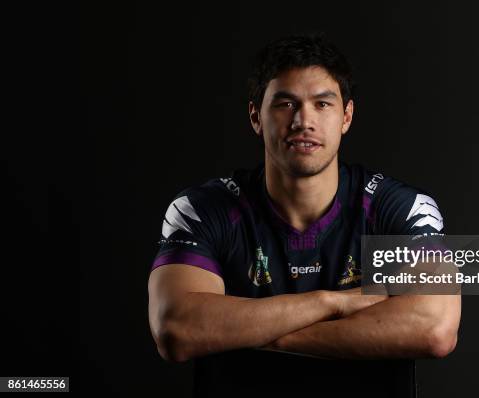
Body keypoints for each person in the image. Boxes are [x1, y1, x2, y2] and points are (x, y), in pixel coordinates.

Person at [148, 34, 460, 363]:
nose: (303, 122)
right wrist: (332, 302)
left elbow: (435, 324)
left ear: (347, 116)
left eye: (322, 104)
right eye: (285, 104)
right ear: (256, 116)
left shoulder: (399, 208)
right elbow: (177, 329)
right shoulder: (202, 209)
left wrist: (262, 338)